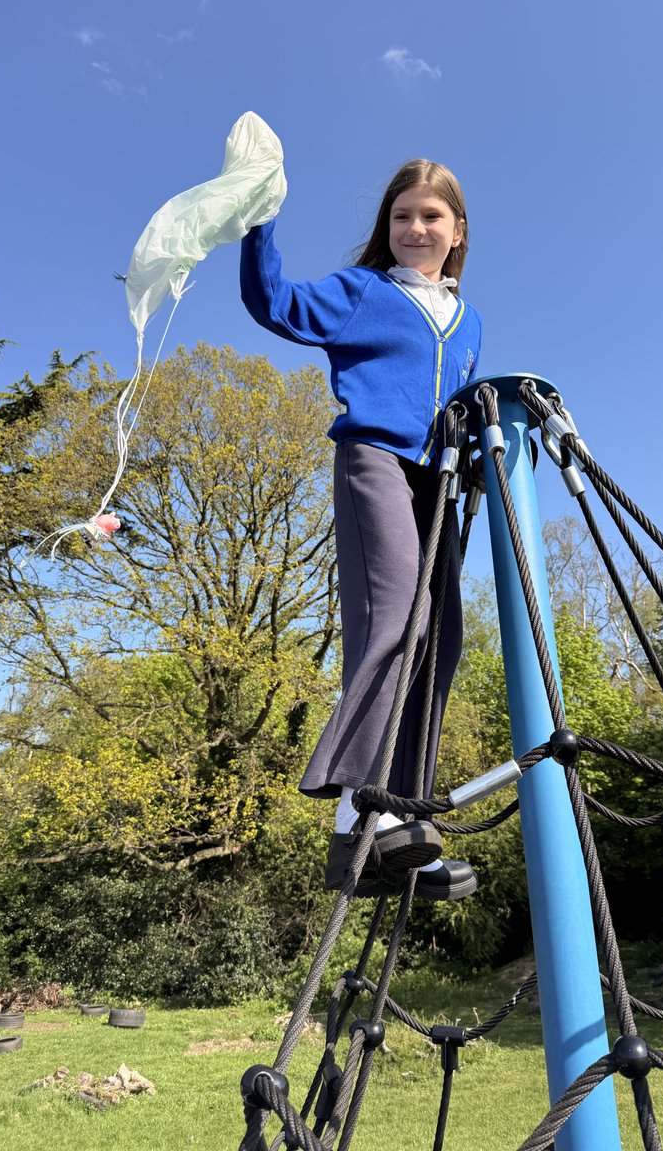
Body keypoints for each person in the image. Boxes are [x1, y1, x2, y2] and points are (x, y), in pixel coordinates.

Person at [240, 159, 481, 901]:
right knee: (398, 621)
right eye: (402, 215)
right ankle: (357, 813)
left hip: (437, 482)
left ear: (457, 232)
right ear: (388, 227)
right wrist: (259, 220)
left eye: (431, 216)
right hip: (374, 459)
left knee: (441, 641)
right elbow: (275, 303)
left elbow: (460, 402)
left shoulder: (468, 320)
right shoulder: (364, 292)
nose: (416, 228)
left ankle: (405, 824)